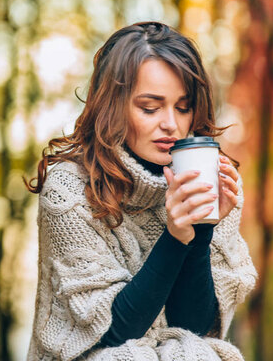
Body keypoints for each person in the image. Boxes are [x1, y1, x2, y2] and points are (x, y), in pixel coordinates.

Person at [24, 22, 257, 361]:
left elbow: (197, 329)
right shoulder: (69, 190)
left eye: (183, 107)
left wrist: (202, 228)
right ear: (113, 107)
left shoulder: (212, 181)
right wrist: (175, 237)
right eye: (150, 107)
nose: (171, 124)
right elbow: (113, 332)